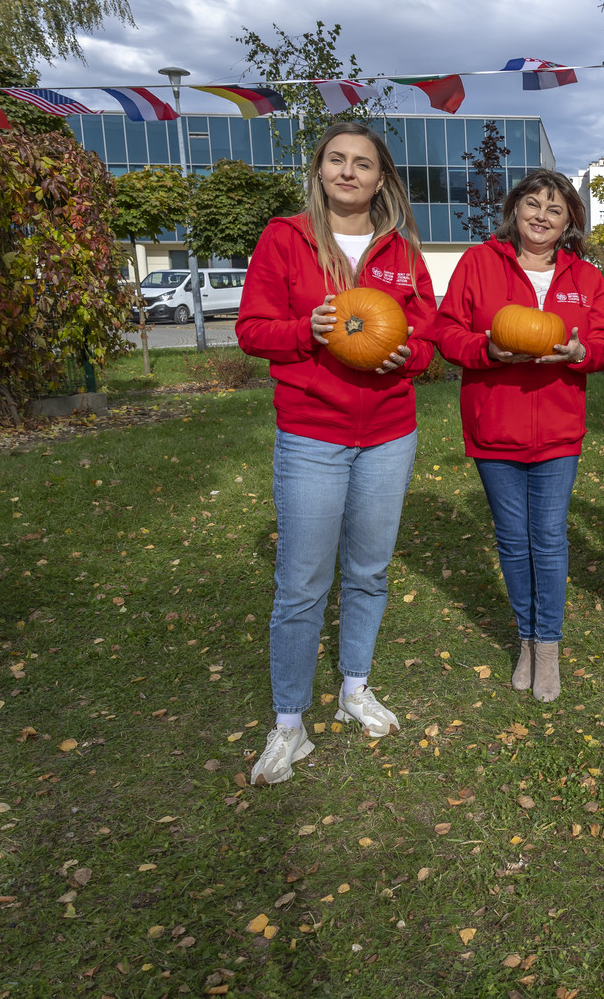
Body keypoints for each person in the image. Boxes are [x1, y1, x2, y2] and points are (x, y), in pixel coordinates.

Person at [236, 122, 438, 786]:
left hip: (388, 433)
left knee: (369, 570)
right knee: (301, 584)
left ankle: (355, 688)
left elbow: (428, 334)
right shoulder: (285, 238)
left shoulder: (402, 249)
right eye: (336, 160)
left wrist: (412, 356)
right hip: (312, 434)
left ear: (381, 179)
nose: (348, 172)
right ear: (320, 170)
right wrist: (307, 330)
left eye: (363, 164)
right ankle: (289, 725)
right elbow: (252, 329)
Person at [430, 170, 604, 702]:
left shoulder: (586, 277)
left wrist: (582, 353)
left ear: (569, 222)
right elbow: (445, 331)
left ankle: (548, 646)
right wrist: (485, 350)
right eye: (533, 204)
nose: (541, 216)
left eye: (555, 210)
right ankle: (526, 640)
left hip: (558, 430)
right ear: (515, 209)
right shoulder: (478, 263)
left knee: (549, 539)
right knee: (513, 541)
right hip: (496, 426)